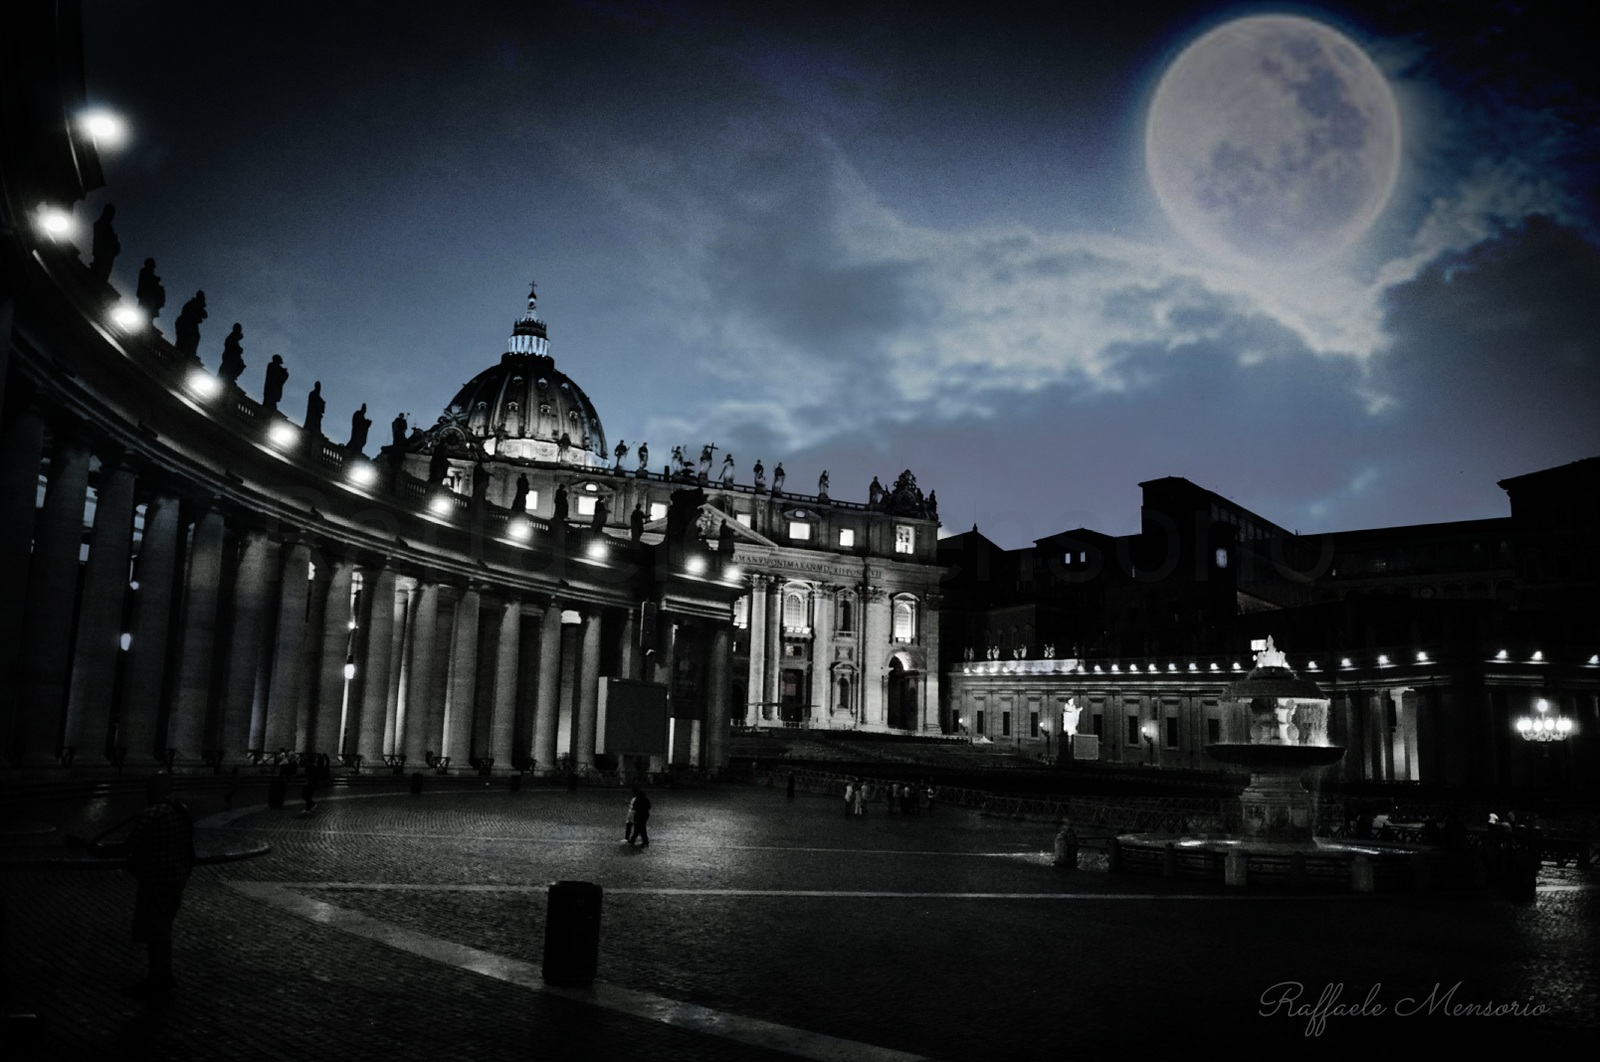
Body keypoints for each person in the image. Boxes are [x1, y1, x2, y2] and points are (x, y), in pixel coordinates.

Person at [71, 773, 194, 996]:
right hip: (176, 878)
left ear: (155, 789)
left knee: (155, 930)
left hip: (156, 879)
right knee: (163, 928)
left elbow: (131, 845)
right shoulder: (181, 810)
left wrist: (97, 849)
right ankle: (164, 974)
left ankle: (157, 977)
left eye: (148, 787)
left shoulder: (152, 813)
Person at [89, 203, 119, 284]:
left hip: (107, 258)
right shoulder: (101, 224)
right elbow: (99, 240)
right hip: (102, 256)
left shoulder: (108, 226)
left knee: (101, 278)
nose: (112, 216)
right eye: (110, 213)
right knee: (96, 277)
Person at [174, 290, 207, 356]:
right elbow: (188, 313)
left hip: (190, 324)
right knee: (185, 338)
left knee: (195, 337)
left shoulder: (197, 305)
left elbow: (205, 315)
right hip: (185, 323)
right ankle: (182, 352)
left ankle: (190, 353)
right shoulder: (192, 304)